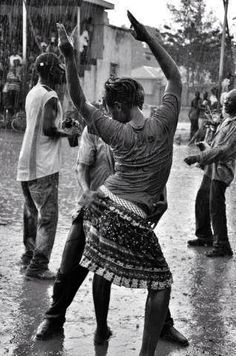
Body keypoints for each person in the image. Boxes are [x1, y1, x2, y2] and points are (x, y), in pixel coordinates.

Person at [52, 12, 181, 355]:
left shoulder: (117, 134)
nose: (107, 113)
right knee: (161, 284)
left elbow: (79, 102)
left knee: (100, 268)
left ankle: (90, 328)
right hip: (127, 212)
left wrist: (68, 55)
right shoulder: (165, 122)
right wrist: (147, 38)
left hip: (106, 206)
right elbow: (175, 77)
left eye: (110, 108)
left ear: (121, 107)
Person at [36, 126, 188, 347]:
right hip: (93, 208)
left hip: (127, 211)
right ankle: (54, 319)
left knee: (151, 269)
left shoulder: (140, 131)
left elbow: (155, 168)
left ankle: (163, 325)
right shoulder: (94, 130)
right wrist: (86, 191)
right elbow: (81, 167)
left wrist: (162, 196)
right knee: (68, 268)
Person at [17, 52, 77, 280]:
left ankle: (28, 257)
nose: (61, 73)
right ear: (52, 71)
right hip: (43, 166)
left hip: (26, 164)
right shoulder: (50, 96)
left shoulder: (33, 92)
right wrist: (69, 132)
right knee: (48, 217)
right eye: (59, 69)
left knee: (32, 213)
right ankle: (38, 266)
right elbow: (48, 129)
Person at [184, 89, 236, 257]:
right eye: (226, 101)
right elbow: (215, 145)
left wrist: (198, 157)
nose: (225, 104)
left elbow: (223, 150)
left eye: (229, 101)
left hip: (222, 171)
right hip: (212, 168)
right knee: (202, 200)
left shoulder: (235, 125)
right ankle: (204, 236)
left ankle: (223, 245)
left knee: (216, 207)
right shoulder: (228, 120)